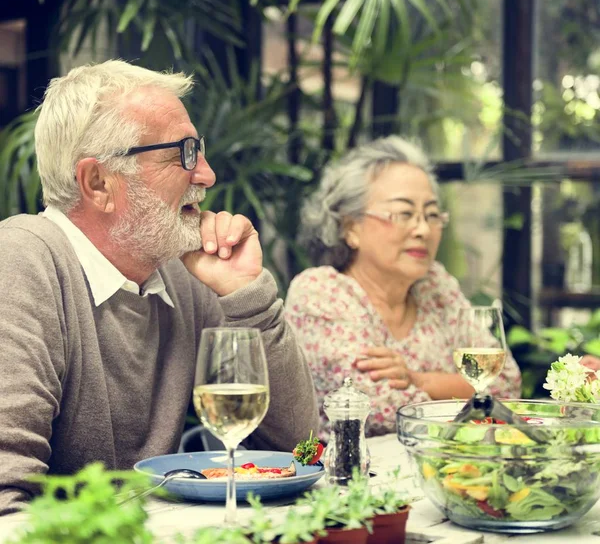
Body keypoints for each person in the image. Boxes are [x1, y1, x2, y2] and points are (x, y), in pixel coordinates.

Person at [0, 60, 318, 515]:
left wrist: (246, 295)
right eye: (183, 154)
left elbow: (300, 450)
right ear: (98, 182)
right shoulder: (20, 260)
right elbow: (5, 504)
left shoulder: (182, 273)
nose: (207, 175)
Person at [285, 136, 521, 438]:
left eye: (432, 215)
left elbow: (506, 383)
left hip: (442, 470)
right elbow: (381, 409)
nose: (423, 230)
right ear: (350, 227)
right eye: (404, 214)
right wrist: (467, 395)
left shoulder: (435, 285)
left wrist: (419, 379)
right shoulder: (320, 292)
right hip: (352, 478)